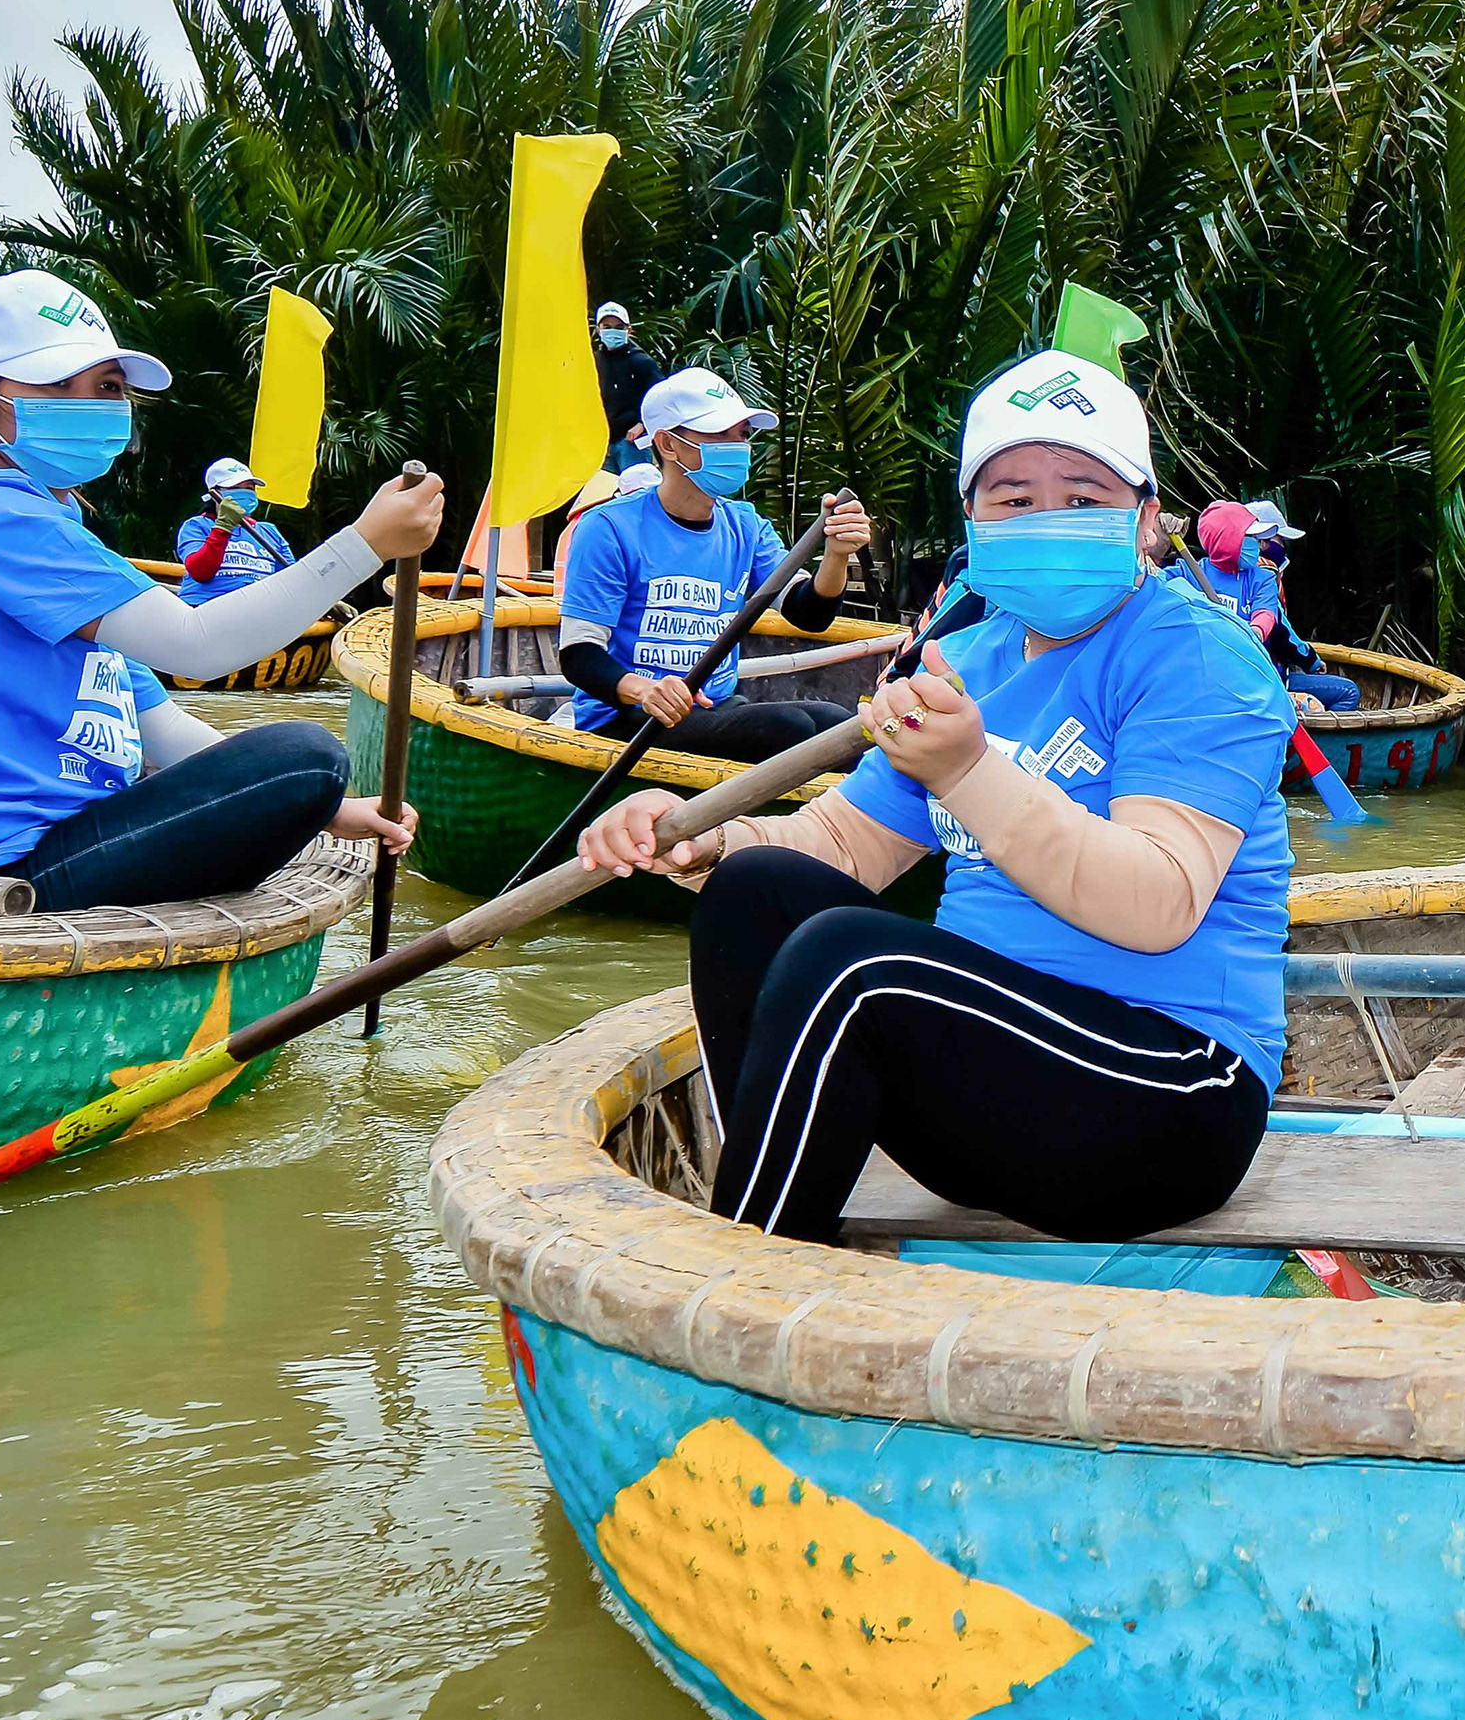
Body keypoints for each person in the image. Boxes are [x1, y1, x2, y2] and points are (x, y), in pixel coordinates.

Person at [577, 348, 1294, 1249]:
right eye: (1014, 500)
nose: (1048, 519)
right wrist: (701, 840)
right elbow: (843, 843)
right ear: (974, 522)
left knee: (851, 963)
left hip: (1169, 1096)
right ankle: (774, 1200)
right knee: (752, 893)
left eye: (1083, 498)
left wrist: (967, 769)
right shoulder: (973, 659)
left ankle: (744, 1266)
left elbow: (1159, 904)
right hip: (991, 1082)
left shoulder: (1198, 656)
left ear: (1146, 521)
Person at [0, 270, 439, 911]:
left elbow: (161, 728)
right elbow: (197, 645)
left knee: (307, 773)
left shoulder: (60, 533)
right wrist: (366, 544)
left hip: (61, 840)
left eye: (106, 387)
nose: (86, 404)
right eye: (56, 384)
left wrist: (331, 811)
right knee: (309, 755)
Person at [552, 368, 873, 758]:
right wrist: (645, 690)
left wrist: (837, 554)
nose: (739, 447)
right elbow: (579, 654)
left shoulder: (745, 525)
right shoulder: (609, 527)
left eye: (743, 434)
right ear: (668, 445)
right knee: (790, 727)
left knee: (839, 724)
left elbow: (808, 613)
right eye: (720, 434)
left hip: (714, 707)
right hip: (630, 716)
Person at [1184, 498, 1358, 716]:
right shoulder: (1191, 573)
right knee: (1348, 691)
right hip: (1222, 679)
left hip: (1259, 675)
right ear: (1231, 539)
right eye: (1260, 539)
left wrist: (1255, 632)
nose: (1265, 546)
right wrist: (1156, 543)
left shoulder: (1262, 577)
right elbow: (1282, 632)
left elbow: (1267, 616)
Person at [174, 457, 299, 600]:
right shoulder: (196, 526)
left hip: (259, 606)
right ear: (215, 494)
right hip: (206, 604)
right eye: (235, 487)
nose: (243, 493)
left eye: (249, 488)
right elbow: (200, 572)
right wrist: (223, 527)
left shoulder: (269, 531)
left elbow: (292, 580)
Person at [592, 301, 665, 473]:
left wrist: (642, 425)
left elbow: (661, 398)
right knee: (605, 489)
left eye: (619, 327)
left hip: (632, 441)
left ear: (629, 330)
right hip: (601, 443)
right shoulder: (594, 361)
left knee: (636, 486)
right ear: (598, 330)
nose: (612, 331)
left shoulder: (642, 361)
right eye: (607, 326)